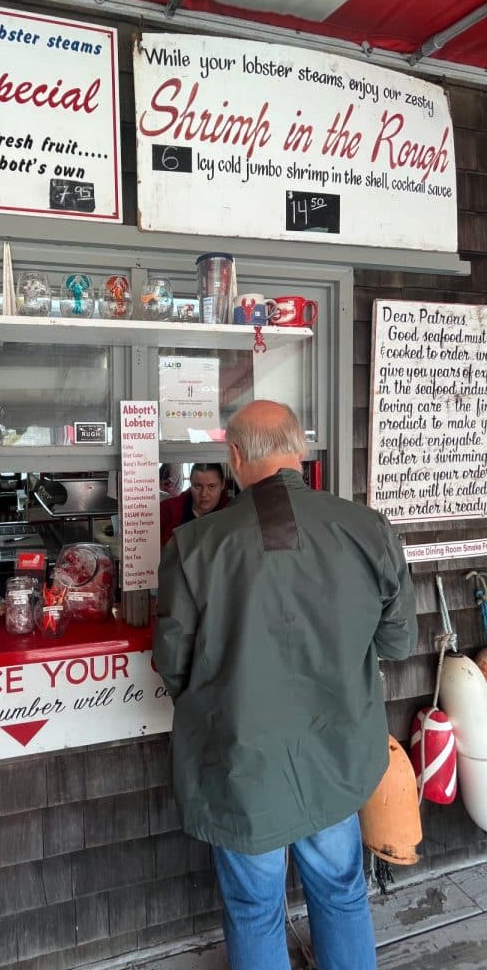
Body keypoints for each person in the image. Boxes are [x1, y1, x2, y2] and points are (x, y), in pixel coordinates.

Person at [154, 400, 417, 970]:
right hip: (336, 755)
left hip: (242, 764)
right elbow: (397, 643)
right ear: (301, 449)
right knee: (343, 891)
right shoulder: (369, 528)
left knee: (254, 908)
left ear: (234, 457)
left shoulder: (196, 546)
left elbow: (173, 665)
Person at [159, 462, 228, 547]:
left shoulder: (233, 514)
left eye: (211, 486)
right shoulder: (167, 510)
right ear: (191, 484)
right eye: (198, 486)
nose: (204, 494)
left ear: (223, 485)